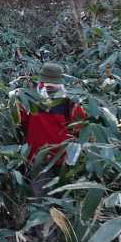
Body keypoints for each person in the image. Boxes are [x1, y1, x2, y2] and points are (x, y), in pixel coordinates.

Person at [19, 62, 86, 197]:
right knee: (61, 196)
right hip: (61, 155)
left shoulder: (29, 98)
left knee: (39, 196)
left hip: (38, 155)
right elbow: (80, 126)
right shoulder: (70, 101)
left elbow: (20, 121)